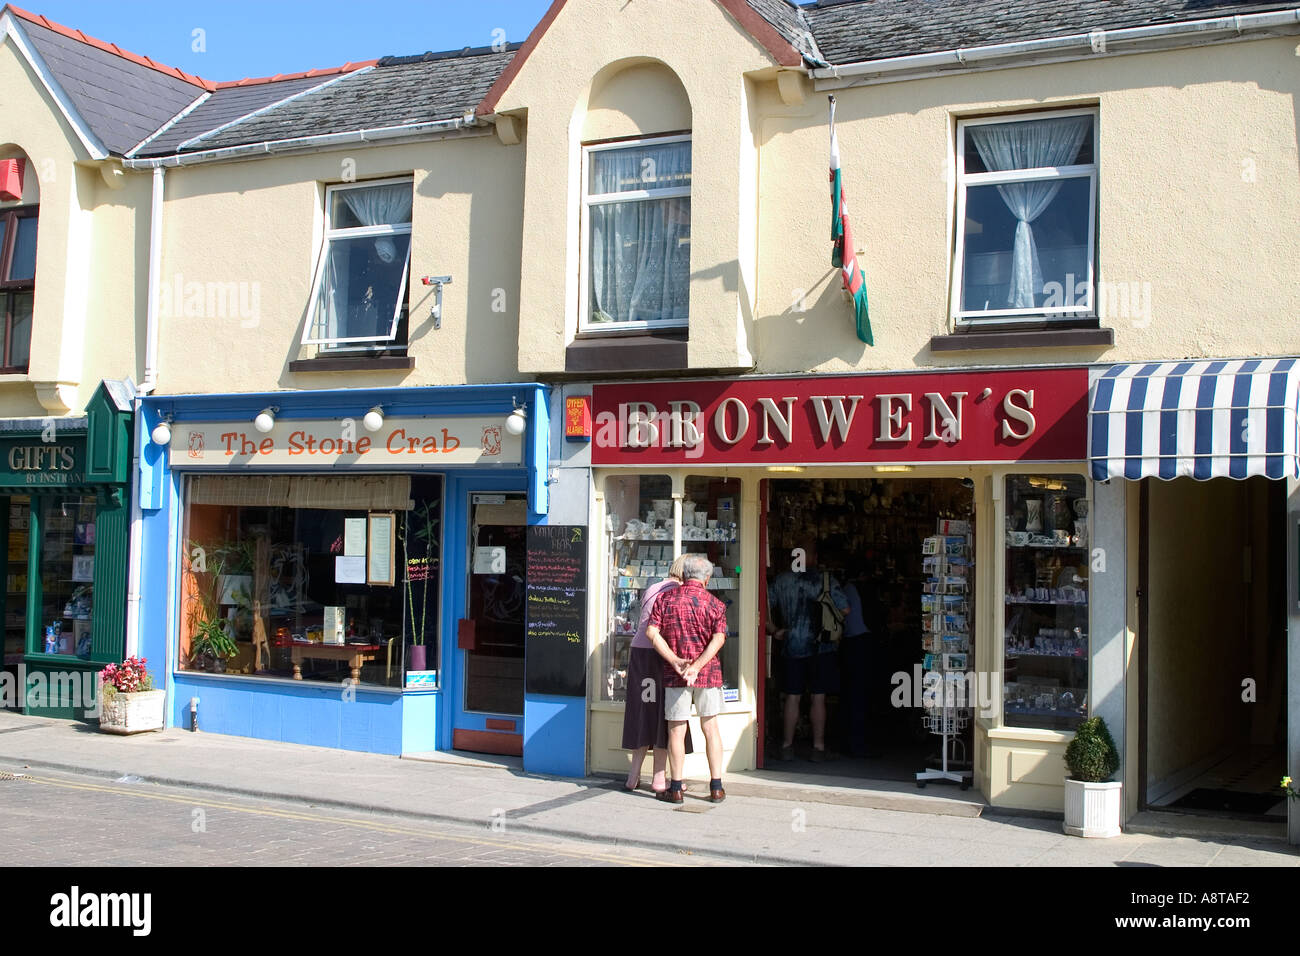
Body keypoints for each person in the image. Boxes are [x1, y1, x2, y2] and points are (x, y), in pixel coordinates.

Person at [645, 553, 729, 803]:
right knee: (710, 728)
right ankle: (716, 787)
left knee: (676, 731)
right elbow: (719, 638)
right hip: (708, 674)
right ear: (707, 578)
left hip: (675, 674)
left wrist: (675, 661)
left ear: (683, 575)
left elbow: (652, 632)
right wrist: (699, 665)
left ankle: (677, 788)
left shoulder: (665, 599)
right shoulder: (715, 604)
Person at [766, 543, 850, 761]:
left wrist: (775, 631)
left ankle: (786, 746)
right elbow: (845, 608)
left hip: (792, 644)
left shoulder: (782, 580)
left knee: (792, 698)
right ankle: (818, 748)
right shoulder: (824, 580)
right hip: (821, 646)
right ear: (813, 557)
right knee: (818, 697)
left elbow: (762, 609)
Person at [620, 555, 692, 793]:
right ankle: (659, 778)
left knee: (642, 712)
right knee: (664, 713)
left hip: (639, 653)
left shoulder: (652, 587)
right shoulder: (676, 593)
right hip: (661, 654)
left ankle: (633, 775)